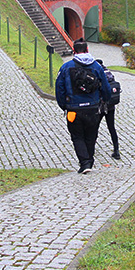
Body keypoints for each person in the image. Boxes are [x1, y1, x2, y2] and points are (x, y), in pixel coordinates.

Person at [55, 39, 112, 173]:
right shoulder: (97, 67)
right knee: (91, 135)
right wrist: (105, 101)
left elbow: (59, 89)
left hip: (73, 109)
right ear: (87, 50)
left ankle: (85, 162)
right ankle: (89, 160)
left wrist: (64, 105)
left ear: (74, 51)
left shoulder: (66, 67)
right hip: (93, 108)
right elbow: (106, 87)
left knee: (77, 136)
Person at [96, 58, 122, 160]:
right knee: (112, 128)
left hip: (100, 105)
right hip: (111, 105)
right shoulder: (109, 73)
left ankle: (91, 149)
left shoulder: (98, 73)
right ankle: (116, 150)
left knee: (94, 127)